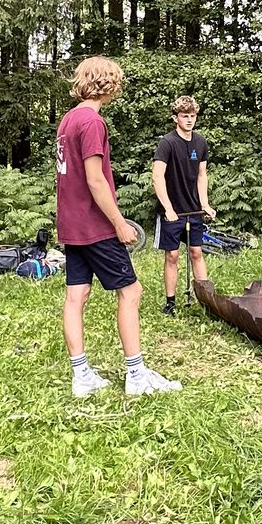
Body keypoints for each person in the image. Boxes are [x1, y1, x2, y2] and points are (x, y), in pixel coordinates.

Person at [55, 58, 181, 400]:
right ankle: (136, 374)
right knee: (131, 291)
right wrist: (118, 223)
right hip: (95, 225)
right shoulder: (93, 122)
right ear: (108, 84)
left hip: (70, 223)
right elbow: (95, 180)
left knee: (76, 296)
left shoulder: (68, 119)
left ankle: (81, 375)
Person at [152, 95, 215, 314]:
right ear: (175, 118)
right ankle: (170, 303)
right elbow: (157, 177)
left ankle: (208, 300)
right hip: (172, 211)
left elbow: (202, 175)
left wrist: (205, 204)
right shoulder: (167, 143)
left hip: (193, 209)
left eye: (192, 116)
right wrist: (168, 209)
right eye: (184, 116)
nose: (189, 120)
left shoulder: (200, 142)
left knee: (196, 252)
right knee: (172, 255)